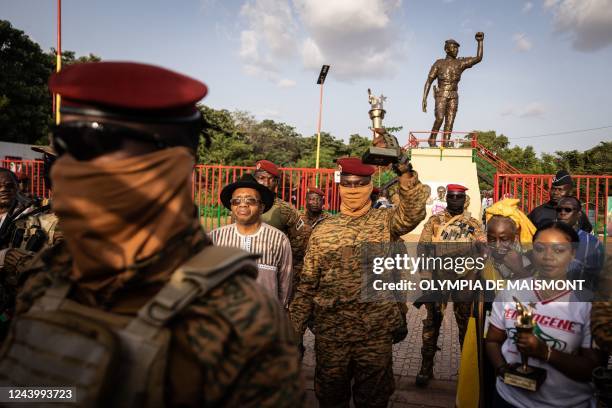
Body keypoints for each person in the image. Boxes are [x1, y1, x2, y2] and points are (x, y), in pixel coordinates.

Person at [5, 62, 302, 406]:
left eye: (95, 143)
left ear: (172, 163)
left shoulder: (240, 320)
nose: (71, 168)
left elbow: (293, 271)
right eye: (65, 145)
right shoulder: (49, 275)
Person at [290, 156, 428, 407]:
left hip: (373, 335)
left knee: (373, 401)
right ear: (340, 187)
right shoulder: (323, 230)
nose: (353, 190)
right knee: (331, 399)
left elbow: (414, 212)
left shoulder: (385, 223)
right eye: (348, 184)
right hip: (332, 335)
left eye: (360, 184)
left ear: (369, 185)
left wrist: (404, 171)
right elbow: (307, 285)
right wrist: (292, 333)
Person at [486, 221, 604, 408]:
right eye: (540, 249)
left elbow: (592, 368)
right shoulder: (511, 292)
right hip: (508, 400)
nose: (548, 257)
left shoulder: (588, 303)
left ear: (573, 253)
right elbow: (492, 340)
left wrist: (545, 353)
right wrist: (502, 369)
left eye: (558, 250)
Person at [415, 184, 485, 387]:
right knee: (432, 324)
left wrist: (474, 278)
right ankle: (425, 368)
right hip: (439, 280)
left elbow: (482, 252)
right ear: (447, 199)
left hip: (465, 283)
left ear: (465, 200)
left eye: (459, 197)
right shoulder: (435, 221)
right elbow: (423, 249)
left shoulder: (473, 223)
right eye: (452, 197)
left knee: (465, 327)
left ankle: (467, 371)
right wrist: (427, 278)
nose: (455, 200)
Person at [210, 174, 293, 308]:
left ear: (261, 207)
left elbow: (285, 286)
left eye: (251, 200)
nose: (243, 204)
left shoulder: (279, 240)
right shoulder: (215, 238)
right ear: (231, 206)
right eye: (237, 201)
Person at [422, 32, 484, 147]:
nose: (456, 50)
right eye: (454, 47)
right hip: (441, 94)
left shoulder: (460, 63)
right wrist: (424, 99)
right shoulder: (439, 63)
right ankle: (432, 138)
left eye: (457, 48)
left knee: (450, 121)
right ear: (446, 49)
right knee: (440, 118)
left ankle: (445, 142)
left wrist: (480, 42)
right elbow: (429, 81)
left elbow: (478, 58)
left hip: (454, 95)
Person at [555, 196, 604, 290]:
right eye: (559, 209)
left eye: (568, 210)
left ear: (578, 214)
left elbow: (597, 278)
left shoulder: (592, 243)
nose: (562, 212)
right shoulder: (546, 238)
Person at [287, 186, 329, 293]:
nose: (315, 202)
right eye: (312, 199)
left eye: (319, 200)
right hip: (297, 266)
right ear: (306, 201)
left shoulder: (329, 220)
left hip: (319, 266)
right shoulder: (296, 217)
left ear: (322, 202)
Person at [528, 170, 592, 232]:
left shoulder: (577, 214)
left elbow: (586, 237)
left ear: (569, 191)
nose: (555, 193)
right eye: (553, 189)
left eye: (560, 190)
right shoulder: (537, 213)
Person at [253, 159, 301, 234]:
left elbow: (298, 240)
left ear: (276, 182)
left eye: (270, 179)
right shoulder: (241, 204)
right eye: (261, 178)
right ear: (254, 180)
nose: (266, 184)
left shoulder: (286, 210)